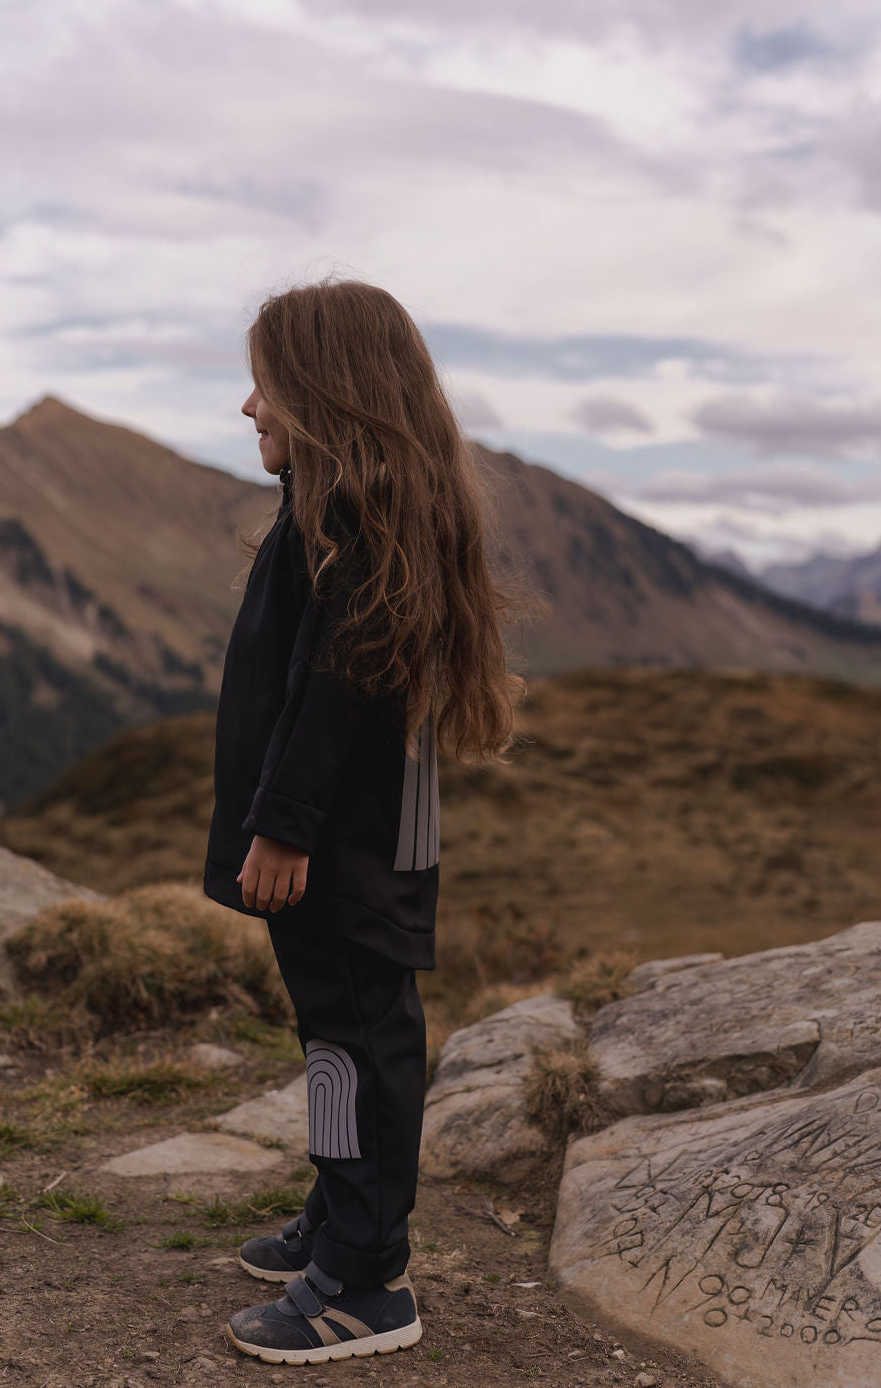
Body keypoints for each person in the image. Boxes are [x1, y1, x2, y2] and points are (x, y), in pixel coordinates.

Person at [203, 278, 531, 1366]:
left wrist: (284, 822)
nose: (249, 408)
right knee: (333, 1036)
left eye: (266, 384)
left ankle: (368, 1279)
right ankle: (339, 1214)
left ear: (323, 389)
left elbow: (344, 683)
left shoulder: (362, 523)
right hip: (329, 831)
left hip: (338, 837)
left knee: (358, 1031)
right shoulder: (333, 512)